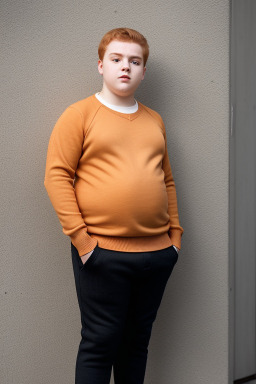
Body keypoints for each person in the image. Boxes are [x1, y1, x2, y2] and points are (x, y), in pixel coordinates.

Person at [44, 27, 184, 384]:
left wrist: (175, 240)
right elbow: (57, 177)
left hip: (157, 254)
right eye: (117, 59)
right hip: (102, 252)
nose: (126, 67)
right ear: (101, 66)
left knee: (137, 343)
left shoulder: (155, 120)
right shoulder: (79, 115)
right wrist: (84, 243)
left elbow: (166, 179)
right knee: (99, 342)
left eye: (134, 61)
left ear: (143, 71)